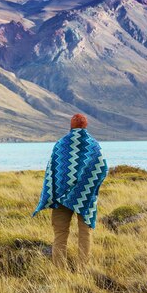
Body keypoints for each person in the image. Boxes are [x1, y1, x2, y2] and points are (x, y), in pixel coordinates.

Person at [32, 113, 108, 268]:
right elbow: (102, 170)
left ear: (71, 125)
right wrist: (88, 189)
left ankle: (60, 269)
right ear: (85, 125)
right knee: (85, 233)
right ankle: (82, 270)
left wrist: (51, 194)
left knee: (60, 234)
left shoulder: (60, 145)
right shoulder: (93, 145)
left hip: (60, 199)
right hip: (84, 198)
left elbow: (51, 172)